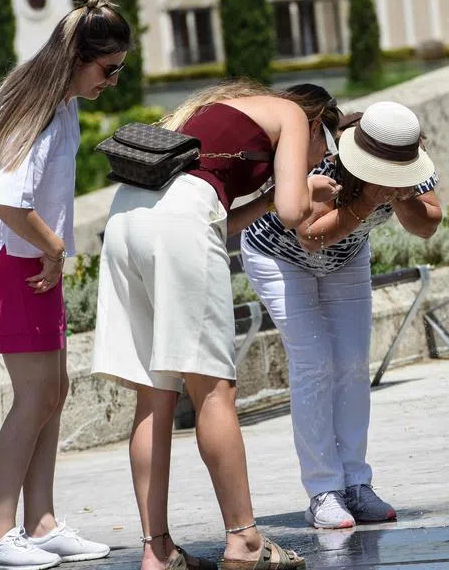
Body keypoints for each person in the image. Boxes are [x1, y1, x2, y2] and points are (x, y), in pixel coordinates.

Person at [91, 80, 338, 570]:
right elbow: (293, 213)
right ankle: (245, 542)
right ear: (315, 122)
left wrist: (266, 199)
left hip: (125, 219)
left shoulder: (209, 112)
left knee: (153, 392)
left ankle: (155, 550)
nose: (317, 159)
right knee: (213, 391)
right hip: (180, 222)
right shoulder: (290, 112)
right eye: (323, 148)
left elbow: (217, 219)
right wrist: (305, 192)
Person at [0, 0, 128, 570]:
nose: (111, 82)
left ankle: (41, 522)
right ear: (78, 59)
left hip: (23, 259)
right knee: (35, 395)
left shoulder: (46, 97)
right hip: (17, 262)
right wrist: (56, 247)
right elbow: (10, 199)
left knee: (52, 393)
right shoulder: (34, 105)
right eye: (108, 70)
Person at [240, 96, 441, 529]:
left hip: (346, 257)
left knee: (351, 363)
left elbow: (428, 224)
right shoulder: (324, 165)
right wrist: (367, 201)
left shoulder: (412, 164)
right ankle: (323, 490)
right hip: (279, 256)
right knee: (314, 363)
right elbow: (312, 237)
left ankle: (356, 483)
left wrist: (402, 195)